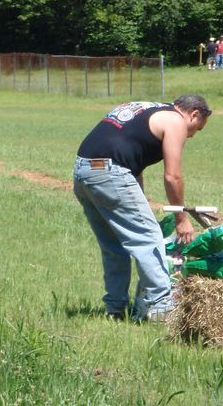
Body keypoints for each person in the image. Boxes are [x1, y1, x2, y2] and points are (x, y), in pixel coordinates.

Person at [73, 94, 211, 322]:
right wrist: (181, 217)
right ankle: (161, 308)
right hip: (110, 172)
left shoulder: (148, 108)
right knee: (149, 240)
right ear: (194, 114)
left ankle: (115, 309)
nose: (192, 134)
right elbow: (172, 176)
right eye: (197, 128)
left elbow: (131, 156)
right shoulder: (175, 121)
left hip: (83, 172)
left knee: (113, 245)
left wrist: (141, 198)